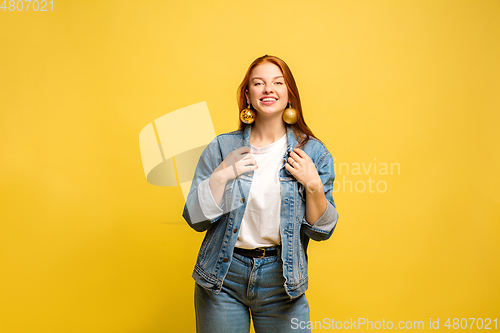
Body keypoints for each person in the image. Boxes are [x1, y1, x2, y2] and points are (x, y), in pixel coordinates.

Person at [182, 55, 339, 333]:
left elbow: (322, 230)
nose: (268, 89)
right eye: (259, 83)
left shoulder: (313, 152)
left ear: (289, 94)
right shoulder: (222, 147)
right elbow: (194, 218)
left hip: (282, 279)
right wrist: (221, 175)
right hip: (222, 276)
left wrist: (313, 184)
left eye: (277, 83)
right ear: (248, 94)